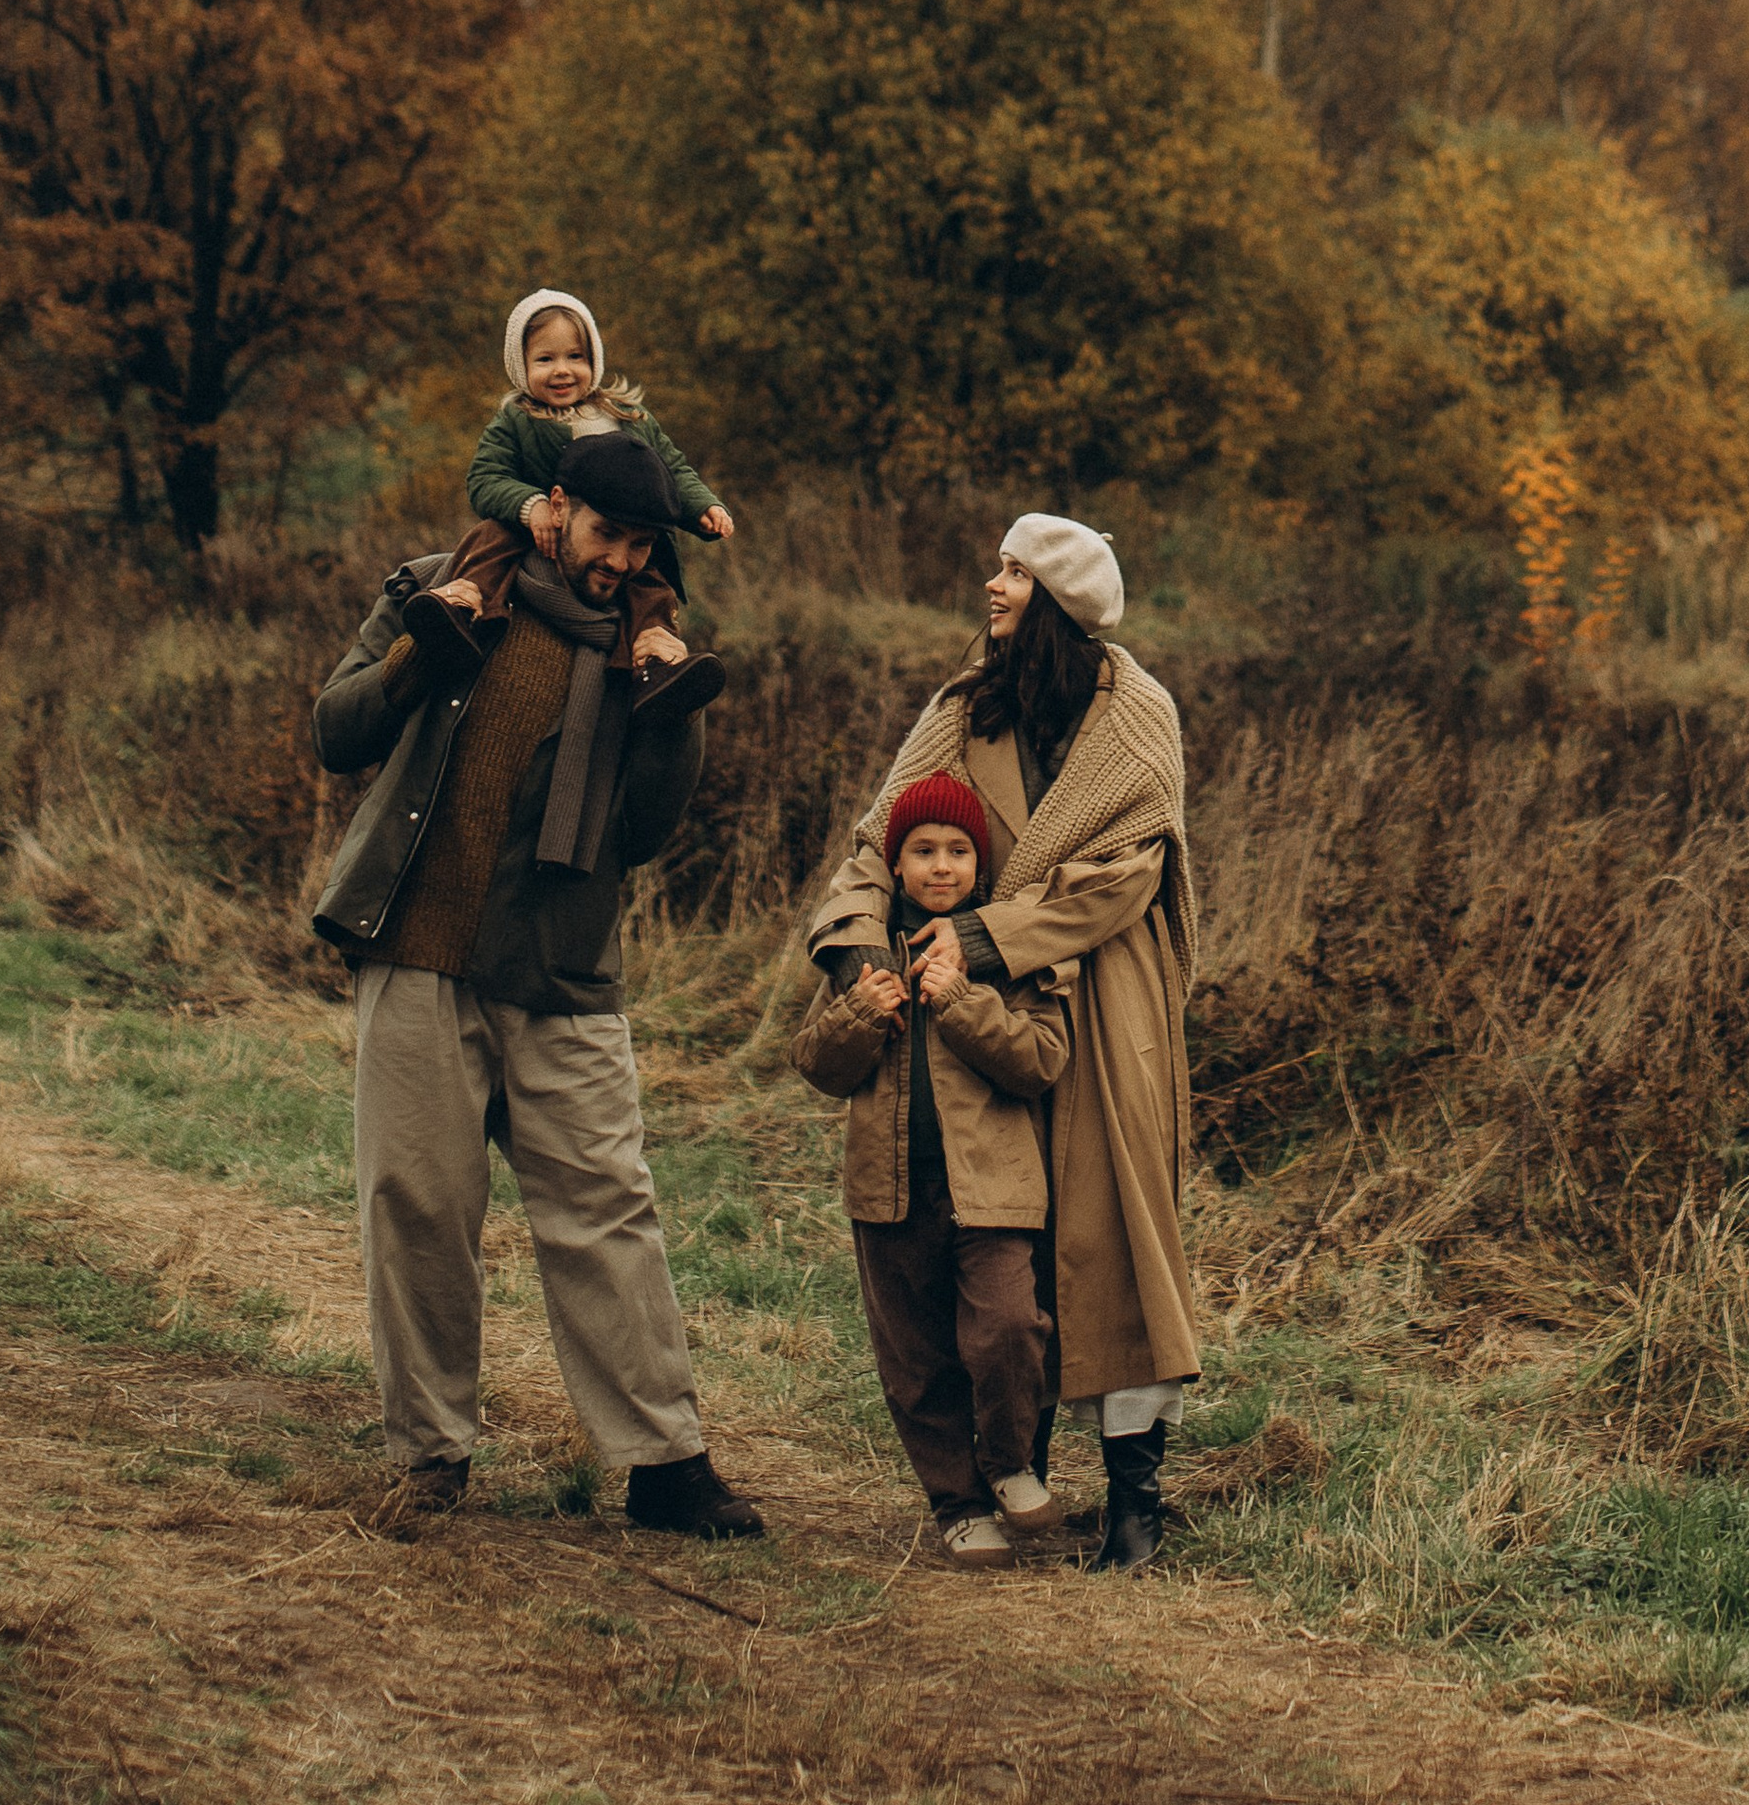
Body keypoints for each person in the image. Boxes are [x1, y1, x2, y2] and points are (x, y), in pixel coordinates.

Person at [311, 427, 764, 1541]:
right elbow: (337, 730)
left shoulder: (648, 643)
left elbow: (643, 832)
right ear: (554, 507)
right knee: (418, 1207)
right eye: (607, 534)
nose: (619, 561)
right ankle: (429, 1456)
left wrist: (671, 709)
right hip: (417, 944)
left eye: (642, 545)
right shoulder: (440, 586)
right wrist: (425, 647)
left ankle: (664, 1464)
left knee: (607, 1207)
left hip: (560, 964)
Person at [807, 514, 1199, 1571]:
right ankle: (993, 1472)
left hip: (1102, 994)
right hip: (958, 1001)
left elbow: (1127, 875)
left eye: (1015, 572)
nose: (992, 585)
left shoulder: (1138, 716)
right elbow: (876, 843)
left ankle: (1134, 1498)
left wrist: (981, 936)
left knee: (1113, 1239)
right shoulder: (962, 707)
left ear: (1058, 600)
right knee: (987, 1245)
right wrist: (858, 953)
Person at [790, 773, 1070, 1569]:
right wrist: (860, 1011)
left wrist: (962, 1003)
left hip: (994, 1188)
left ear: (980, 864)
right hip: (891, 1191)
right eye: (922, 851)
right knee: (916, 1360)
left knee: (1010, 1329)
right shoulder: (863, 952)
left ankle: (1009, 1461)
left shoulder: (1005, 952)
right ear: (896, 864)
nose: (941, 866)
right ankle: (958, 1503)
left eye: (958, 850)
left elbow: (1042, 1060)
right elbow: (815, 1064)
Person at [468, 289, 736, 567]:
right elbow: (485, 479)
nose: (562, 370)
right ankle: (460, 593)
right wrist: (531, 505)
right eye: (545, 359)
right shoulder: (514, 422)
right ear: (520, 366)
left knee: (655, 589)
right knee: (486, 558)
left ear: (594, 359)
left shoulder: (627, 416)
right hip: (549, 551)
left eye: (575, 356)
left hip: (630, 548)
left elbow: (671, 470)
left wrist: (701, 506)